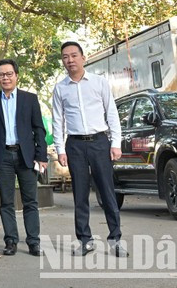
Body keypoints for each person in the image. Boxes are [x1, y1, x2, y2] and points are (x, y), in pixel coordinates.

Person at [52, 41, 126, 257]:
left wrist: (115, 143)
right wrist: (60, 149)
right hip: (74, 145)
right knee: (80, 193)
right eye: (65, 57)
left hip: (99, 142)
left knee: (107, 190)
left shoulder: (98, 82)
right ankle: (85, 239)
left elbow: (111, 112)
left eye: (74, 55)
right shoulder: (60, 88)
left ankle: (115, 239)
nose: (70, 60)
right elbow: (58, 120)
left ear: (83, 58)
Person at [0, 59, 47, 257]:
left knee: (30, 201)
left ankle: (34, 242)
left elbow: (39, 129)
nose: (6, 77)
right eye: (2, 74)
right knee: (6, 202)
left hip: (25, 155)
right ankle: (10, 241)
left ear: (16, 75)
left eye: (9, 73)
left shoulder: (29, 99)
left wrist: (41, 156)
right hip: (2, 156)